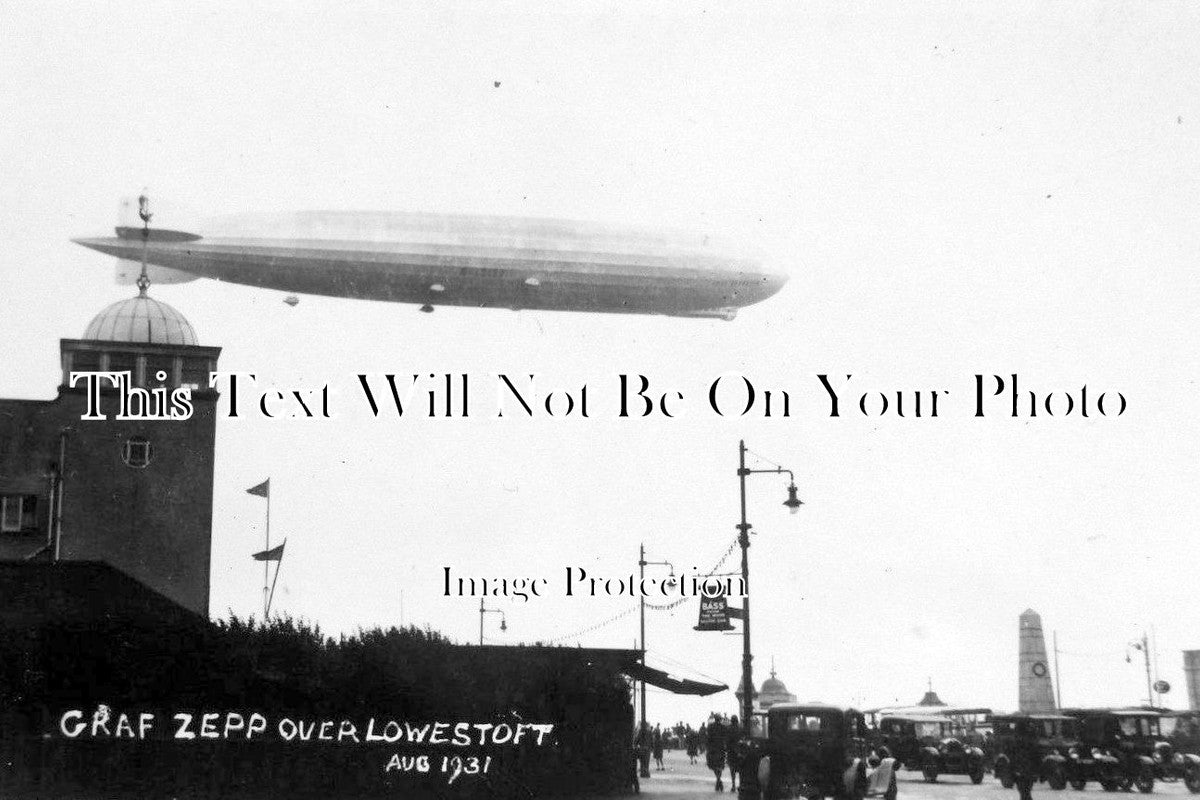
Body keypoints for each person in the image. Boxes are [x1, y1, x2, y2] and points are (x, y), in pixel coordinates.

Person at [1010, 718, 1040, 800]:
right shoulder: (1032, 739)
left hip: (1019, 770)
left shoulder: (1016, 740)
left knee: (1023, 792)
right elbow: (1037, 756)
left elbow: (1012, 756)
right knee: (1027, 791)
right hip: (1030, 770)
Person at [706, 715, 728, 791]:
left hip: (712, 749)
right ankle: (719, 781)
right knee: (720, 766)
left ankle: (718, 781)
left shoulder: (710, 727)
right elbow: (726, 738)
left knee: (714, 766)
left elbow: (708, 738)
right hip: (721, 749)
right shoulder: (723, 727)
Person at [726, 715, 743, 793]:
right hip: (739, 751)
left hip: (731, 752)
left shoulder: (728, 729)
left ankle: (733, 785)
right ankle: (740, 784)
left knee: (732, 770)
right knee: (740, 770)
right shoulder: (740, 728)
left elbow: (727, 741)